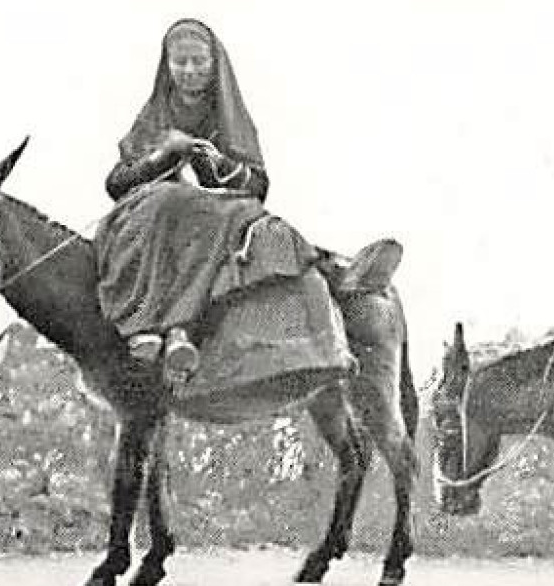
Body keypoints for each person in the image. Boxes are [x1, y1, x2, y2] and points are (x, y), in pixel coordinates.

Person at [96, 19, 387, 385]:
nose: (189, 71)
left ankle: (180, 331)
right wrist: (160, 157)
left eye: (199, 62)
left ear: (214, 64)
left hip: (213, 212)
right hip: (154, 212)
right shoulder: (154, 116)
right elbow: (115, 182)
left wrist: (218, 163)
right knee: (160, 204)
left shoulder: (228, 113)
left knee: (250, 222)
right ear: (166, 65)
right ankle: (151, 327)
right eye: (180, 62)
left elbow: (258, 185)